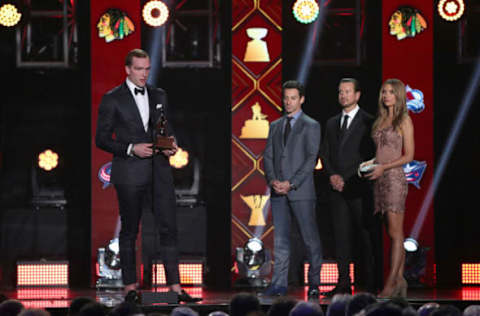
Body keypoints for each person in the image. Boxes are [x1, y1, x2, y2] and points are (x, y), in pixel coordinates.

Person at [95, 48, 200, 303]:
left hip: (160, 172)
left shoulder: (159, 94)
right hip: (130, 173)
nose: (144, 74)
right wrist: (132, 148)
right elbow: (101, 139)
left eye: (147, 69)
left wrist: (171, 144)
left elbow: (165, 127)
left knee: (169, 227)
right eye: (139, 69)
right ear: (128, 69)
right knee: (130, 230)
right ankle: (131, 287)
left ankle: (174, 287)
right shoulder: (112, 99)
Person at [262, 80, 323, 298]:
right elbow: (268, 156)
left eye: (293, 98)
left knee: (309, 238)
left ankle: (314, 282)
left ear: (302, 99)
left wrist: (291, 183)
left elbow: (310, 160)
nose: (288, 102)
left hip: (301, 191)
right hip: (278, 191)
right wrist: (273, 180)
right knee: (281, 241)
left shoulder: (311, 125)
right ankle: (278, 284)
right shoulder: (275, 125)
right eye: (286, 98)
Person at [320, 78, 376, 296]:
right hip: (336, 189)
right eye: (340, 91)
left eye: (347, 91)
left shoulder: (369, 121)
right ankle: (343, 283)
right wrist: (332, 174)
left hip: (359, 187)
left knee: (365, 236)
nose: (343, 95)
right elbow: (325, 152)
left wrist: (352, 178)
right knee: (340, 237)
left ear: (357, 95)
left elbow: (372, 155)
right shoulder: (332, 123)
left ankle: (371, 284)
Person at [361, 78, 414, 298]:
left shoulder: (404, 120)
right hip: (379, 178)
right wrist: (371, 163)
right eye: (384, 91)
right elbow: (383, 151)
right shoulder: (380, 120)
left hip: (394, 178)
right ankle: (400, 281)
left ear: (398, 95)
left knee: (395, 232)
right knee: (389, 231)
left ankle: (391, 283)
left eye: (391, 92)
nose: (386, 95)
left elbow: (408, 155)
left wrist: (384, 167)